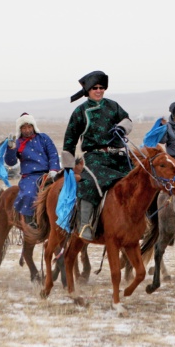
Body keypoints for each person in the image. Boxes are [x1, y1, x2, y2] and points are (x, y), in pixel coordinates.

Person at [62, 71, 133, 240]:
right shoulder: (80, 111)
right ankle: (85, 224)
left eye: (101, 87)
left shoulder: (113, 106)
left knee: (140, 180)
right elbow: (69, 140)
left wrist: (122, 128)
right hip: (95, 157)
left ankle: (142, 223)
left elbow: (127, 120)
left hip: (118, 156)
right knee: (89, 184)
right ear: (88, 90)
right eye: (95, 88)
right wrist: (68, 168)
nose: (99, 91)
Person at [4, 112, 60, 229]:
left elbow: (53, 154)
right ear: (20, 129)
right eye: (24, 127)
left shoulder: (43, 138)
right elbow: (11, 162)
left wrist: (54, 169)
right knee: (29, 194)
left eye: (29, 127)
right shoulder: (18, 143)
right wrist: (11, 149)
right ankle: (30, 223)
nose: (27, 130)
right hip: (30, 176)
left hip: (48, 173)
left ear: (33, 126)